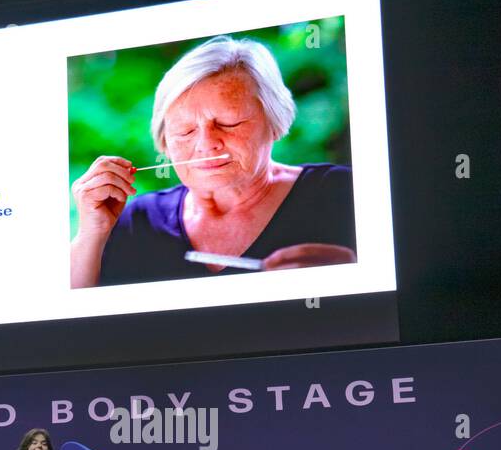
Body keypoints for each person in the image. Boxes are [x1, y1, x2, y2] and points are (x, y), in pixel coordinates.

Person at [70, 34, 356, 288]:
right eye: (186, 130)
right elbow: (74, 328)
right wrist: (91, 234)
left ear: (275, 123)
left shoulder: (343, 193)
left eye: (229, 122)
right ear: (165, 142)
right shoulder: (139, 221)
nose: (206, 143)